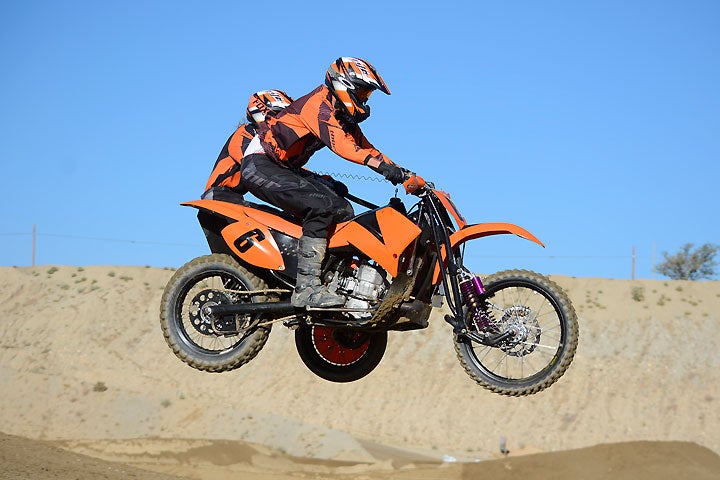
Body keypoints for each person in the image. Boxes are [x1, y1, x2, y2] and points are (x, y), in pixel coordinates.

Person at [240, 57, 406, 308]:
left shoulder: (339, 111)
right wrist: (381, 167)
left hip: (285, 168)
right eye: (362, 92)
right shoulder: (319, 106)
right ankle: (306, 288)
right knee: (319, 206)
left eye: (367, 94)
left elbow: (366, 147)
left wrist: (406, 175)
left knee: (343, 208)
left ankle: (334, 280)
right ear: (343, 86)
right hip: (260, 164)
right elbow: (343, 146)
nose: (365, 100)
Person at [202, 89, 294, 201]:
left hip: (231, 197)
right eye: (280, 115)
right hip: (219, 196)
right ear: (264, 112)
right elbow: (258, 162)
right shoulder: (246, 132)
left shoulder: (263, 138)